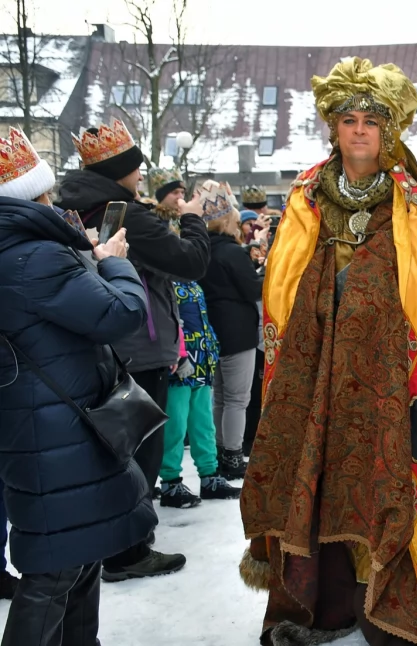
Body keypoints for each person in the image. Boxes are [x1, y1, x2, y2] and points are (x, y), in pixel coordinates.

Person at [239, 58, 417, 646]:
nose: (358, 131)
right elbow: (285, 280)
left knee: (386, 476)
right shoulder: (307, 193)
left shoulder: (408, 198)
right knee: (321, 476)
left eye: (369, 122)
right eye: (347, 120)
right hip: (318, 370)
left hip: (388, 374)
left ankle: (389, 600)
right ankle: (320, 604)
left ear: (388, 131)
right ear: (334, 128)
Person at [0, 126, 157, 645]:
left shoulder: (19, 253)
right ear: (31, 195)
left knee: (77, 562)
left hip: (42, 425)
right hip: (60, 434)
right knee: (56, 573)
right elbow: (121, 313)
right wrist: (114, 263)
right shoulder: (34, 256)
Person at [55, 118, 200, 582]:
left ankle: (113, 544)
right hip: (139, 342)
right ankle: (129, 551)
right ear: (122, 170)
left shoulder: (68, 209)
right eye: (136, 168)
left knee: (109, 453)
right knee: (141, 454)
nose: (142, 177)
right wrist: (193, 218)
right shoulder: (129, 215)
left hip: (95, 344)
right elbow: (191, 263)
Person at [151, 176, 241, 507]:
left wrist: (211, 345)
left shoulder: (191, 280)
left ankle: (209, 474)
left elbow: (200, 316)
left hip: (202, 360)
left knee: (202, 422)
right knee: (175, 425)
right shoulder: (166, 281)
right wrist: (181, 353)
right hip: (178, 364)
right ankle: (171, 478)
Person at [197, 180, 264, 481]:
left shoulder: (201, 251)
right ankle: (234, 455)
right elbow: (251, 289)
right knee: (238, 399)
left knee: (220, 397)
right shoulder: (232, 253)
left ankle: (221, 449)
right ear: (227, 221)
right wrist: (272, 272)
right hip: (238, 332)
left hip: (212, 330)